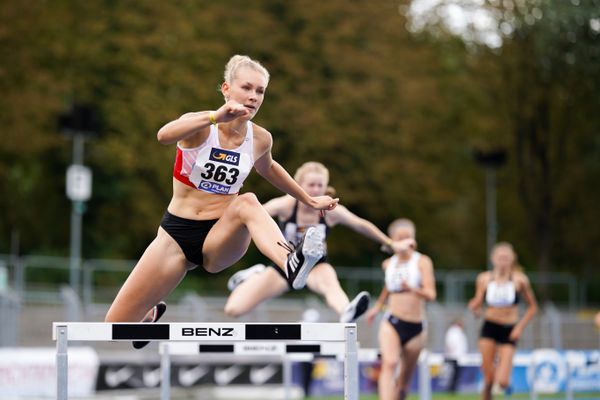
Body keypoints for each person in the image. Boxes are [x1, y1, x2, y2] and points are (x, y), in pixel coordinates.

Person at [104, 55, 339, 348]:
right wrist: (216, 116)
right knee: (113, 328)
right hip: (176, 236)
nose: (254, 97)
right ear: (227, 89)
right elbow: (163, 135)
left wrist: (309, 199)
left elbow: (270, 168)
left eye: (261, 91)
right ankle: (150, 313)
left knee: (247, 202)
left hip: (220, 235)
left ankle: (290, 261)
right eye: (247, 88)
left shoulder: (260, 139)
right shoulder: (202, 125)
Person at [224, 161, 409, 323]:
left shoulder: (331, 210)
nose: (315, 190)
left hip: (315, 267)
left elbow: (360, 224)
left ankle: (346, 310)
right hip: (284, 265)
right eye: (310, 185)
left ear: (326, 187)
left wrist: (391, 243)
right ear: (297, 185)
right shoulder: (286, 205)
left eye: (320, 185)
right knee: (233, 309)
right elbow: (252, 216)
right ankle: (255, 275)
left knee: (330, 284)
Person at [365, 218, 436, 400]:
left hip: (416, 326)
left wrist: (412, 288)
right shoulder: (388, 264)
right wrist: (377, 307)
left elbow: (431, 294)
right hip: (392, 320)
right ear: (393, 241)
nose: (405, 241)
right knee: (389, 363)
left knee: (403, 384)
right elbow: (388, 287)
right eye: (400, 238)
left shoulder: (422, 262)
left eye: (408, 237)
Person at [468, 242, 538, 400]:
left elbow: (533, 307)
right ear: (493, 259)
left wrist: (519, 327)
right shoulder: (484, 279)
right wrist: (474, 307)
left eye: (506, 258)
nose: (503, 261)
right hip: (489, 327)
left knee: (502, 381)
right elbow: (478, 303)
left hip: (509, 329)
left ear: (512, 259)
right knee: (489, 379)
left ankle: (505, 380)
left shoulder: (520, 280)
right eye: (500, 258)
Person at [443, 317, 468, 393]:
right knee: (453, 375)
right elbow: (451, 344)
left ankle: (453, 389)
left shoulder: (458, 332)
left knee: (456, 375)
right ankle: (451, 389)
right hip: (454, 357)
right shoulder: (454, 331)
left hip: (457, 357)